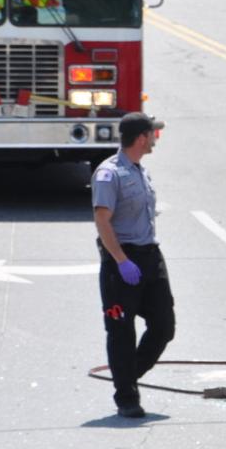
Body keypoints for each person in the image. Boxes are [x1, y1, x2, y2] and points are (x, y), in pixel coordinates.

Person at [92, 112, 175, 419]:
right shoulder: (108, 173)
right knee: (121, 330)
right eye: (153, 133)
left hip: (150, 256)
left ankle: (127, 375)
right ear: (142, 138)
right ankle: (126, 396)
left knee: (164, 326)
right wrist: (121, 261)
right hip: (121, 259)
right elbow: (102, 220)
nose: (156, 138)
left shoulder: (141, 170)